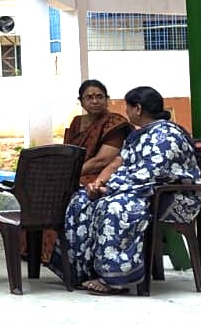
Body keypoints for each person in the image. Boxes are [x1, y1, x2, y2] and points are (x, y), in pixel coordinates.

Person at [56, 86, 201, 296]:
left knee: (115, 207)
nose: (127, 111)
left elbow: (153, 174)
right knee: (81, 201)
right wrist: (99, 183)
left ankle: (116, 279)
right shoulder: (139, 135)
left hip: (172, 198)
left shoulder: (166, 136)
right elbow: (118, 161)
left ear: (138, 109)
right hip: (141, 191)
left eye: (128, 107)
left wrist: (110, 189)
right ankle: (84, 271)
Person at [45, 79, 134, 265]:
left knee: (67, 195)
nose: (95, 101)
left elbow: (102, 160)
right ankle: (39, 250)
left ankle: (67, 257)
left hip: (99, 177)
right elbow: (68, 152)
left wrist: (67, 175)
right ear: (81, 101)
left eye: (100, 96)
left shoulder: (115, 123)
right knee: (43, 193)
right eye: (89, 97)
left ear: (107, 99)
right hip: (74, 173)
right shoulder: (77, 123)